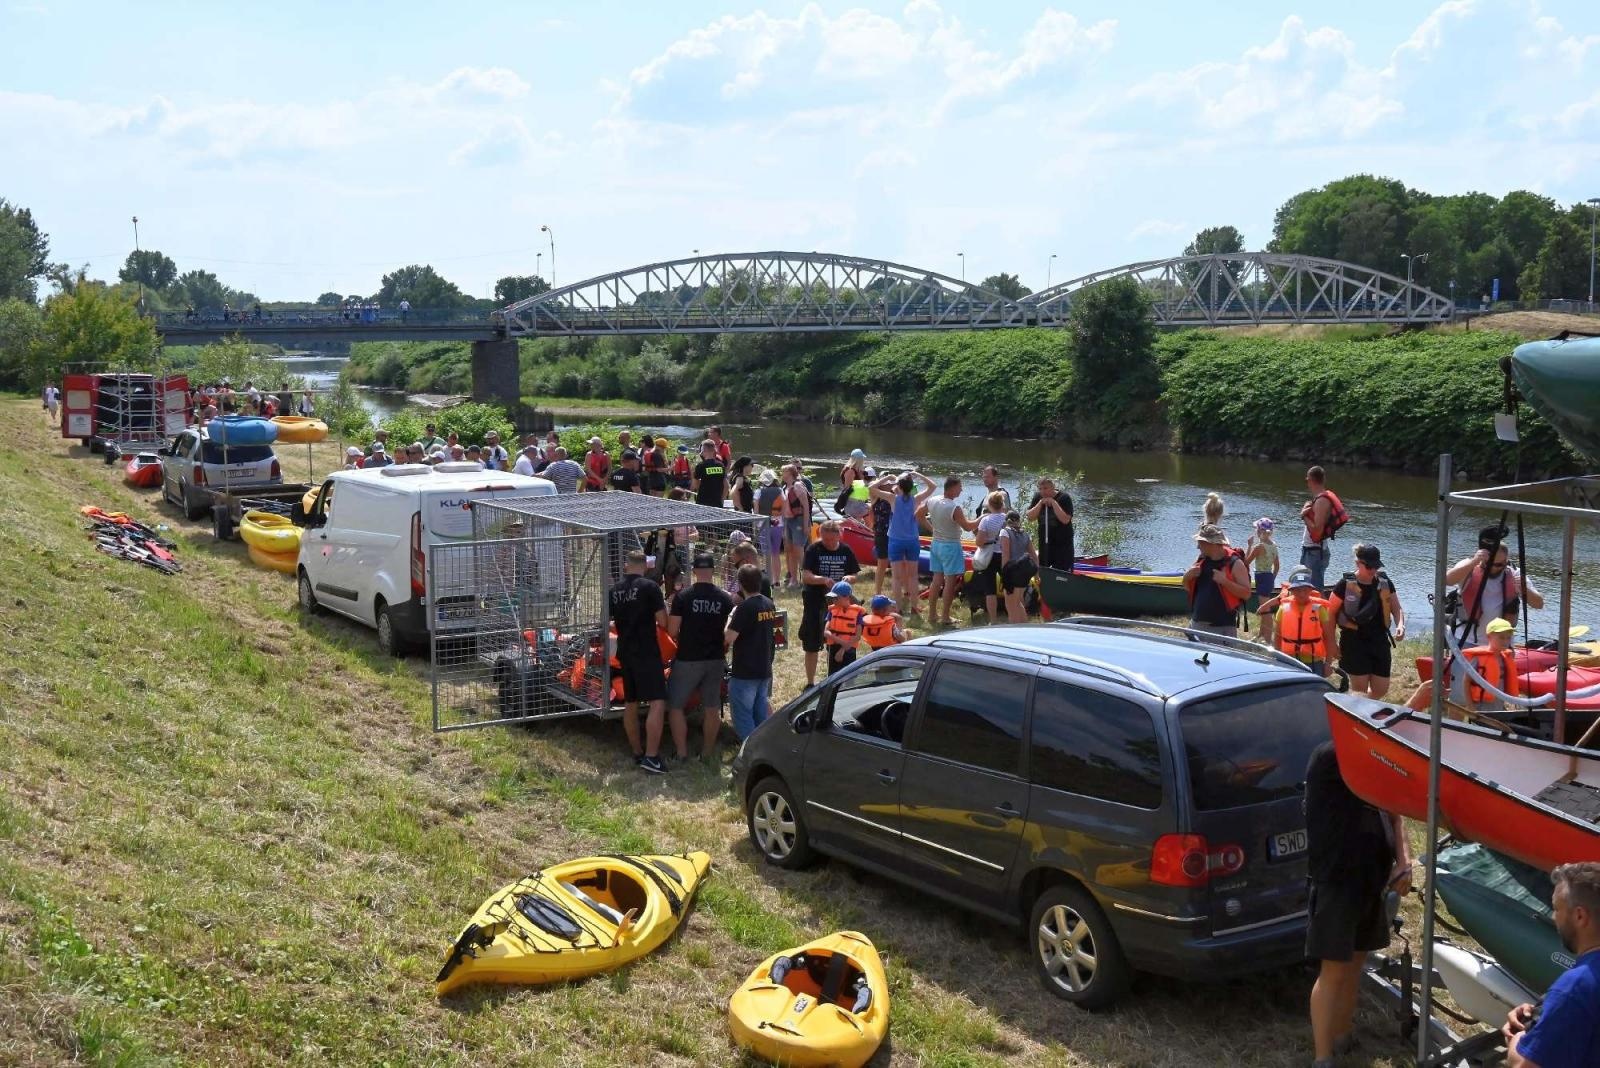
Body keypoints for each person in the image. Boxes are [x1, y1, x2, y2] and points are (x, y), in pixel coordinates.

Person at [1303, 739, 1411, 1068]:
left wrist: (1403, 861)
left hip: (1370, 883)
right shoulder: (1331, 758)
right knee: (1334, 970)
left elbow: (1396, 817)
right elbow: (1378, 739)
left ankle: (1343, 1037)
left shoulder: (1372, 770)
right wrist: (1416, 704)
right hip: (1339, 883)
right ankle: (1323, 1059)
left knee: (1354, 967)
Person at [1503, 862, 1600, 1068]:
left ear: (1580, 916)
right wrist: (1545, 1011)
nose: (1554, 917)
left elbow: (1525, 1065)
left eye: (1556, 908)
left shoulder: (1575, 988)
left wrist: (1518, 1039)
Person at [667, 552, 735, 762]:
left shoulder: (683, 597)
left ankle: (681, 753)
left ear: (694, 571)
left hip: (688, 659)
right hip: (715, 660)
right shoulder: (725, 598)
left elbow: (671, 630)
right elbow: (730, 631)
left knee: (675, 706)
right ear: (713, 571)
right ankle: (706, 753)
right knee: (711, 708)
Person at [611, 551, 671, 774]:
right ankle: (651, 757)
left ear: (626, 566)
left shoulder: (614, 590)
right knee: (657, 701)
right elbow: (663, 620)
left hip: (625, 652)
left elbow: (608, 622)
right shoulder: (650, 587)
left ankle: (637, 752)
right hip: (646, 651)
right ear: (645, 566)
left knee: (631, 702)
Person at [1446, 524, 1545, 647]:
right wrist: (1474, 562)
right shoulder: (1469, 566)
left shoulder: (1514, 573)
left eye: (1499, 564)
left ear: (1506, 561)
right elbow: (1447, 580)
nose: (1493, 567)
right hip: (1467, 641)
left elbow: (1539, 604)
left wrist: (1525, 590)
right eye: (1489, 563)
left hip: (1501, 646)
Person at [1406, 616, 1522, 714]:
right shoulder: (1479, 659)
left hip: (1497, 706)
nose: (1505, 641)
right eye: (1501, 637)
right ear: (1489, 637)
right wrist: (1470, 707)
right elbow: (1466, 681)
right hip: (1481, 706)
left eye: (1508, 638)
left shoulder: (1505, 658)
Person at [1332, 543, 1404, 699]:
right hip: (1354, 642)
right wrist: (1331, 642)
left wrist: (1400, 624)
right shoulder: (1344, 584)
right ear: (1358, 563)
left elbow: (1396, 608)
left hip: (1379, 642)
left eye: (1375, 566)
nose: (1373, 570)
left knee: (1381, 689)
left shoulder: (1384, 582)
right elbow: (1330, 614)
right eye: (1369, 566)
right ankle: (1355, 716)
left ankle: (1351, 706)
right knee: (1360, 691)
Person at [799, 521, 860, 686]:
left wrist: (849, 578)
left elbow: (854, 574)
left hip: (839, 603)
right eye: (825, 540)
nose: (829, 543)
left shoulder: (845, 550)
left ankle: (835, 681)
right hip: (814, 600)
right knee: (811, 643)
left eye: (832, 540)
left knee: (835, 642)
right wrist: (823, 580)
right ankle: (810, 683)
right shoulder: (813, 550)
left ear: (839, 536)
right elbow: (805, 576)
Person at [725, 564, 778, 741]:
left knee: (743, 716)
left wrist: (731, 616)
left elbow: (729, 637)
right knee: (760, 712)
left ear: (740, 584)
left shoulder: (744, 609)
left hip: (745, 672)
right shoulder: (769, 603)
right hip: (764, 668)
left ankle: (749, 754)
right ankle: (765, 747)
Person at [871, 471, 935, 617]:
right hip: (912, 540)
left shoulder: (893, 498)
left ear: (899, 486)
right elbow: (932, 486)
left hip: (895, 540)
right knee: (913, 576)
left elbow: (872, 489)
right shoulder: (916, 499)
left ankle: (898, 608)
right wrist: (918, 474)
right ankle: (914, 607)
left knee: (896, 577)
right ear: (911, 487)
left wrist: (887, 478)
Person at [921, 475, 977, 626]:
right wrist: (983, 517)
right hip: (950, 546)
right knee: (950, 582)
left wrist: (932, 529)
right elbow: (967, 527)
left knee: (936, 580)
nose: (961, 490)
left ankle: (932, 614)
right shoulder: (954, 507)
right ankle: (945, 616)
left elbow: (918, 515)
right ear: (952, 488)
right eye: (960, 487)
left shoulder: (932, 500)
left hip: (936, 544)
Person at [1183, 524, 1251, 636]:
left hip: (1222, 628)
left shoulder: (1235, 563)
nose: (1198, 547)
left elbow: (1247, 594)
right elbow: (1186, 586)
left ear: (1212, 544)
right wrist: (1187, 576)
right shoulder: (1201, 559)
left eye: (1200, 542)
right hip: (1197, 624)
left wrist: (1225, 581)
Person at [1270, 567, 1336, 677]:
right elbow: (1277, 637)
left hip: (1314, 661)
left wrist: (1328, 663)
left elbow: (1329, 637)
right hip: (1289, 660)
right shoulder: (1283, 609)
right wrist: (1277, 658)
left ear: (1311, 590)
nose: (1301, 594)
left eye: (1305, 590)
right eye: (1298, 590)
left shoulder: (1319, 609)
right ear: (1292, 591)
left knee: (1314, 692)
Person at [1298, 466, 1348, 590]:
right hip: (1311, 550)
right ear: (1323, 479)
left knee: (1314, 589)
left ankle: (1321, 609)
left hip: (1315, 552)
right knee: (1305, 586)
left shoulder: (1321, 501)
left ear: (1310, 480)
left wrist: (1303, 516)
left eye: (1307, 481)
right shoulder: (1320, 498)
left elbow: (1317, 531)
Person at [971, 490, 1009, 623]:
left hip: (989, 556)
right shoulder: (1007, 519)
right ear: (1002, 504)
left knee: (990, 589)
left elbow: (979, 542)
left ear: (989, 505)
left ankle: (993, 620)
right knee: (1009, 586)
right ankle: (1013, 613)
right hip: (1005, 555)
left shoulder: (986, 520)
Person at [998, 509, 1039, 623]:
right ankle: (1024, 626)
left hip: (1012, 572)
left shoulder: (1005, 532)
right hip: (1024, 572)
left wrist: (1003, 576)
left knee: (1011, 605)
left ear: (1006, 521)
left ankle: (1014, 630)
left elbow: (1005, 556)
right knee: (1018, 602)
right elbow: (1034, 556)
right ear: (1019, 521)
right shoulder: (1025, 534)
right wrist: (1036, 575)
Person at [1026, 478, 1075, 572]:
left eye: (1045, 488)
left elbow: (1065, 520)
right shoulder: (1038, 497)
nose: (1042, 491)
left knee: (1062, 572)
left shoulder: (1064, 498)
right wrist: (1040, 503)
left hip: (1062, 545)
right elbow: (1030, 517)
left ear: (1053, 487)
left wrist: (1053, 502)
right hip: (1045, 543)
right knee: (1044, 571)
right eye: (1040, 489)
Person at [823, 582, 865, 675]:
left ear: (847, 597)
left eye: (836, 598)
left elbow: (857, 636)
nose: (833, 601)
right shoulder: (832, 611)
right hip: (833, 648)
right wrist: (842, 643)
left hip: (849, 650)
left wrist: (842, 649)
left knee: (848, 677)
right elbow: (826, 632)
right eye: (832, 598)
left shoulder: (857, 613)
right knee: (833, 676)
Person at [780, 464, 812, 588]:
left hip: (799, 520)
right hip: (788, 521)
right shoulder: (784, 487)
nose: (782, 473)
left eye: (784, 471)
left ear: (790, 473)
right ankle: (793, 579)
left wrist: (806, 524)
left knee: (799, 550)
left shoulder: (798, 486)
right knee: (790, 550)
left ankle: (806, 579)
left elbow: (806, 506)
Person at [755, 469, 785, 584]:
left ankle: (768, 580)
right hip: (778, 525)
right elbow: (784, 507)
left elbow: (756, 511)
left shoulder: (758, 492)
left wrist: (756, 526)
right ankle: (777, 580)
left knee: (766, 553)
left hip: (763, 525)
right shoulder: (780, 490)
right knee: (776, 554)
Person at [1245, 517, 1281, 602]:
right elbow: (1277, 566)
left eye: (1256, 528)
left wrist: (1249, 545)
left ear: (1259, 531)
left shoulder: (1259, 547)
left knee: (1264, 608)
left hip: (1261, 577)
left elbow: (1246, 562)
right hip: (1269, 577)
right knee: (1264, 605)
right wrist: (1272, 579)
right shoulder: (1274, 545)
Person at [692, 440, 727, 508]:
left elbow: (695, 485)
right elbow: (726, 485)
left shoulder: (701, 466)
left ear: (703, 450)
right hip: (717, 502)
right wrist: (722, 500)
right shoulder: (720, 465)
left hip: (703, 502)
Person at [840, 449, 872, 519]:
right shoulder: (850, 471)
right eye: (862, 459)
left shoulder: (856, 470)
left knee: (870, 510)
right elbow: (847, 488)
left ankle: (867, 528)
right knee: (871, 510)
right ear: (859, 459)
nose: (863, 461)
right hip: (853, 502)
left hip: (857, 501)